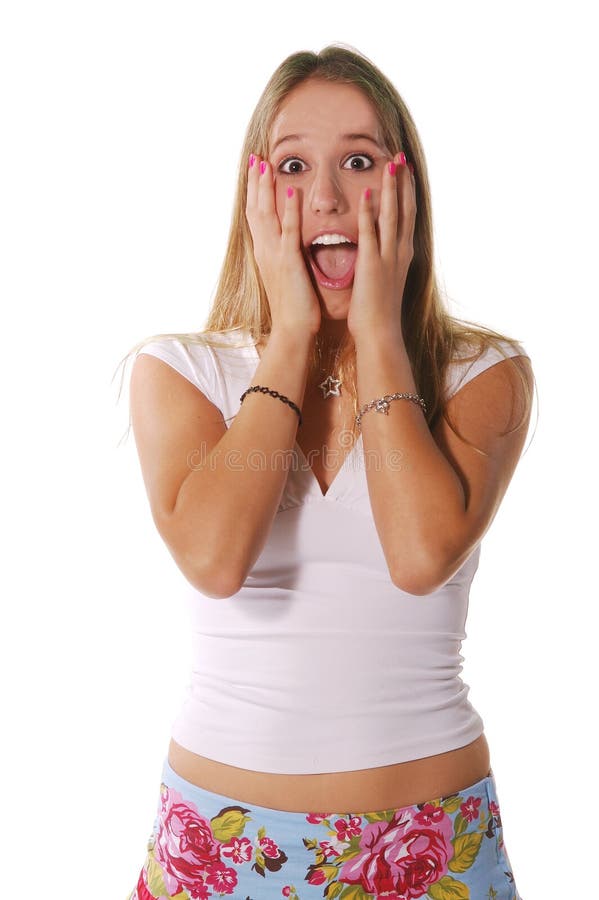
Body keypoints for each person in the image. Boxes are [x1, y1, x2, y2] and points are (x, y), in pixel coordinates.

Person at [120, 43, 534, 900]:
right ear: (255, 197)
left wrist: (380, 335)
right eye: (293, 165)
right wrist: (293, 336)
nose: (327, 198)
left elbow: (421, 557)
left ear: (404, 186)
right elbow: (213, 559)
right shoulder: (180, 372)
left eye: (356, 160)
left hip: (429, 838)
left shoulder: (480, 374)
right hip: (220, 845)